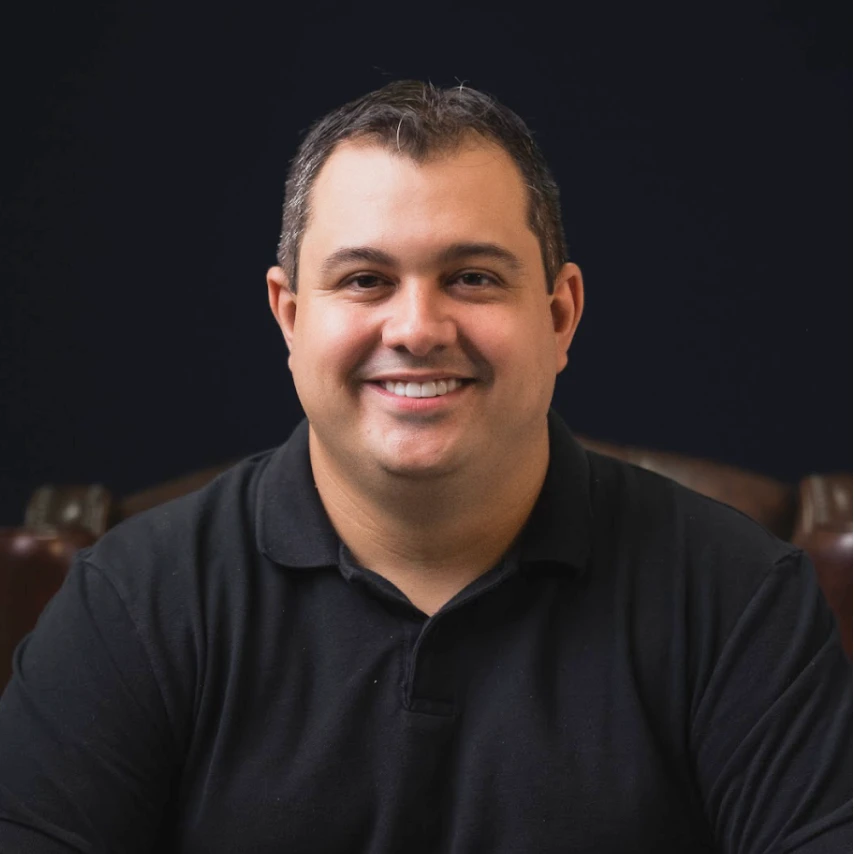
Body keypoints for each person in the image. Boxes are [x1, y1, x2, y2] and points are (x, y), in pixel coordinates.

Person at [0, 80, 849, 853]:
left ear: (560, 316)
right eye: (366, 280)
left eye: (472, 277)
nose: (416, 328)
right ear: (289, 318)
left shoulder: (738, 597)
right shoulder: (134, 604)